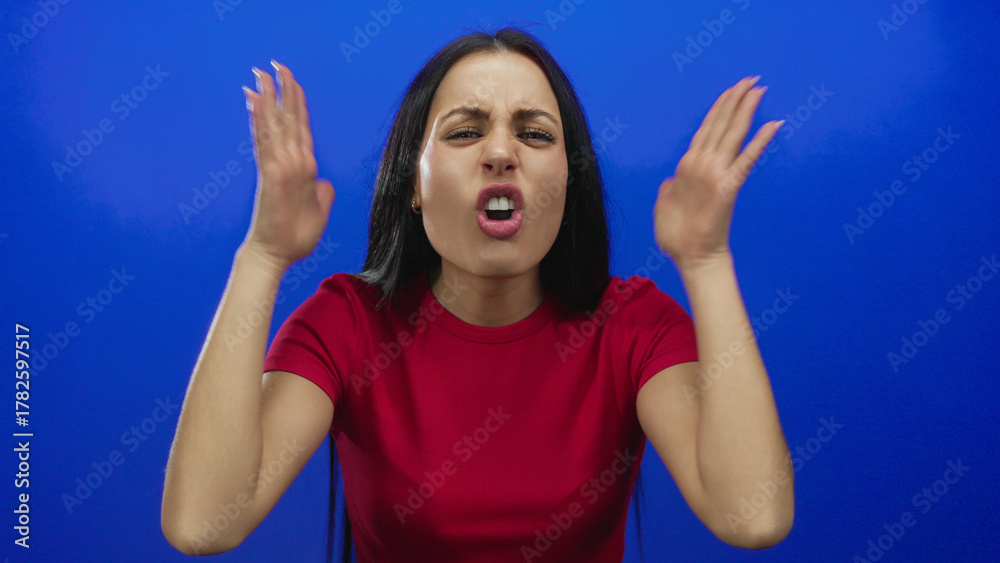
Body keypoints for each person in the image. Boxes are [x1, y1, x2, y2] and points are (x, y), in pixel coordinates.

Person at [161, 27, 793, 562]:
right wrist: (263, 255)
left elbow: (752, 517)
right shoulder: (347, 325)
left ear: (568, 183)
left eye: (535, 134)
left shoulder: (633, 327)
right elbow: (201, 524)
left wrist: (706, 262)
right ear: (414, 184)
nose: (499, 153)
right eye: (465, 133)